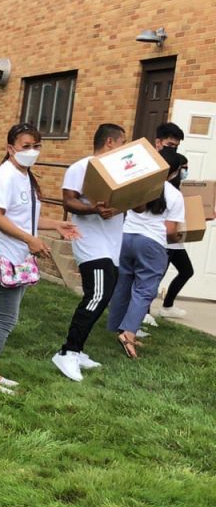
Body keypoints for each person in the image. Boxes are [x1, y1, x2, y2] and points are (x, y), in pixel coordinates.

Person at [0, 123, 79, 394]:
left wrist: (56, 224)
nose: (32, 151)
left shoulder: (26, 177)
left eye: (36, 146)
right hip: (5, 258)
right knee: (5, 320)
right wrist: (29, 240)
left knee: (1, 317)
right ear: (11, 149)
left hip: (18, 258)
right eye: (26, 146)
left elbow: (25, 217)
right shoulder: (5, 176)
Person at [52, 124, 126, 382]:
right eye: (122, 142)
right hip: (91, 243)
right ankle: (67, 351)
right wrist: (94, 209)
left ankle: (79, 349)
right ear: (109, 142)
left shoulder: (120, 173)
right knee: (96, 296)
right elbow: (69, 200)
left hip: (113, 244)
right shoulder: (81, 167)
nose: (123, 148)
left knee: (102, 299)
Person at [108, 149, 187, 358]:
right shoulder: (174, 195)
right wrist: (178, 238)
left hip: (126, 237)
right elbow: (170, 231)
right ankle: (128, 334)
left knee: (123, 284)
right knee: (145, 290)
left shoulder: (139, 187)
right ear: (173, 172)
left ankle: (116, 326)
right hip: (151, 244)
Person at [154, 122, 192, 319]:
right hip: (159, 233)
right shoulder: (151, 167)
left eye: (176, 146)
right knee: (155, 275)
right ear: (158, 142)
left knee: (186, 270)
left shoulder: (177, 164)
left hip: (172, 229)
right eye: (170, 145)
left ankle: (167, 306)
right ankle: (143, 312)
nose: (173, 150)